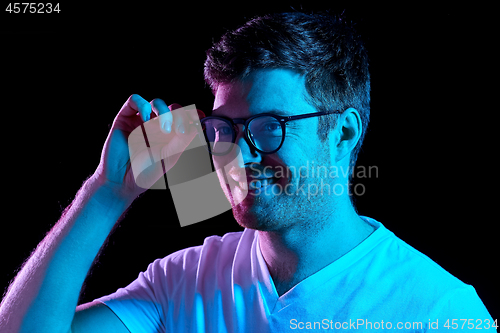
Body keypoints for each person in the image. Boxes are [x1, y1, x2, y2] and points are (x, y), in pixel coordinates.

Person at [0, 11, 496, 333]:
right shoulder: (186, 279)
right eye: (222, 129)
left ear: (342, 134)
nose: (239, 154)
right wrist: (108, 191)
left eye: (269, 126)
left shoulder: (440, 311)